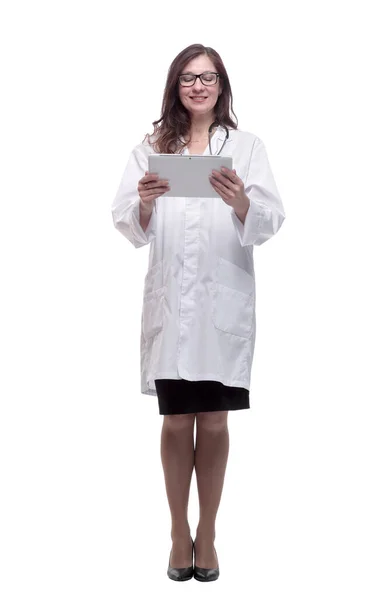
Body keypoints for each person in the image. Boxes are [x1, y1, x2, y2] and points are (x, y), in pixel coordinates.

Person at [111, 44, 286, 582]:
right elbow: (124, 220)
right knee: (174, 420)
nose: (198, 86)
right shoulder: (150, 149)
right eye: (188, 77)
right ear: (175, 85)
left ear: (222, 85)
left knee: (213, 420)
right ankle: (176, 531)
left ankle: (207, 532)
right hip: (173, 305)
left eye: (208, 77)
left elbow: (272, 217)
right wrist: (143, 202)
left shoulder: (247, 147)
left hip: (221, 305)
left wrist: (240, 202)